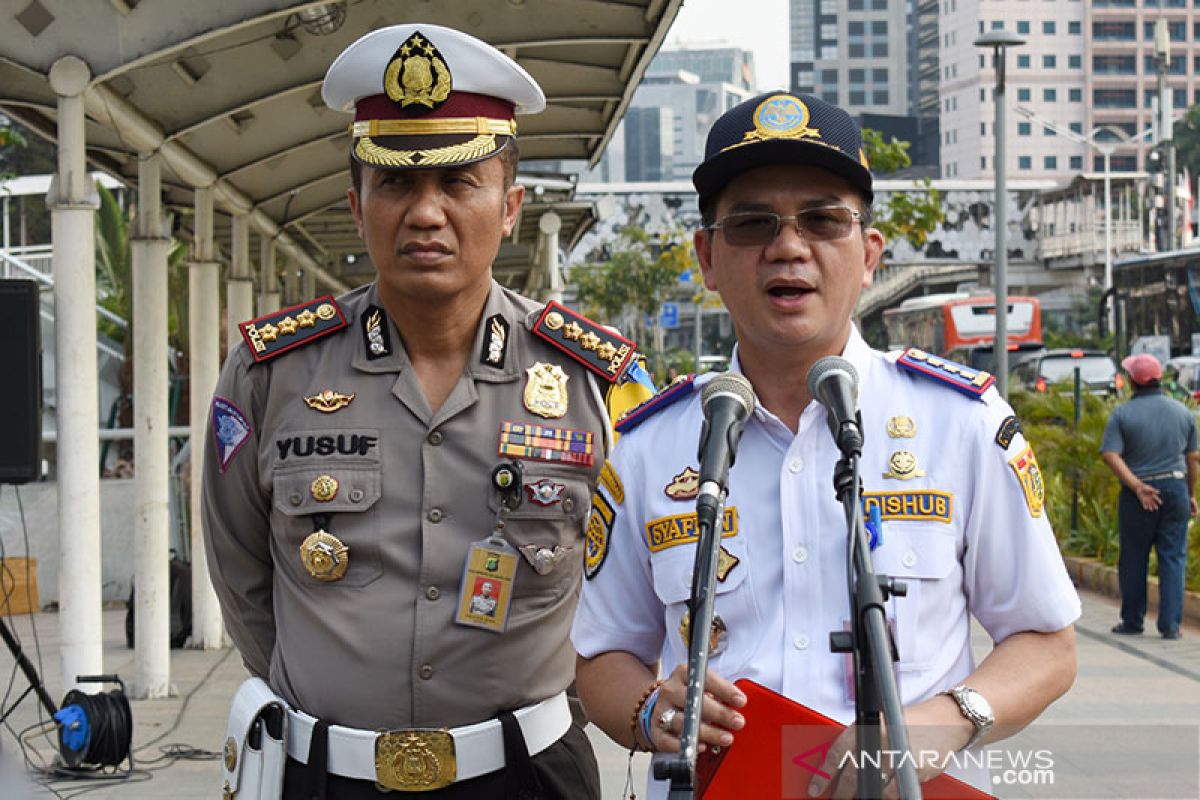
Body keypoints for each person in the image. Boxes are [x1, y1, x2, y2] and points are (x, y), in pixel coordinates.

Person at [571, 91, 1080, 798]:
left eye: (822, 220)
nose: (788, 246)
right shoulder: (650, 447)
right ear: (708, 259)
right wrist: (652, 708)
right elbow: (599, 656)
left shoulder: (959, 422)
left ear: (868, 254)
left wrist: (943, 721)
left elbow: (1047, 642)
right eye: (752, 223)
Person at [203, 23, 651, 800]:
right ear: (357, 204)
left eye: (458, 183)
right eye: (397, 185)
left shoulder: (597, 382)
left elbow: (641, 576)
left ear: (510, 206)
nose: (426, 213)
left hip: (531, 778)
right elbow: (242, 573)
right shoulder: (270, 373)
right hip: (326, 778)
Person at [1101, 353, 1198, 640]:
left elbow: (1110, 454)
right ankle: (1170, 626)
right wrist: (1190, 494)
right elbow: (1193, 458)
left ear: (1132, 381)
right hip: (1176, 489)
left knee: (1134, 557)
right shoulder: (1182, 412)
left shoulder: (1122, 414)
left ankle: (1132, 621)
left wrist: (1136, 486)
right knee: (1173, 558)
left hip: (1139, 496)